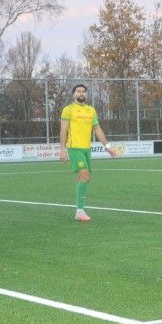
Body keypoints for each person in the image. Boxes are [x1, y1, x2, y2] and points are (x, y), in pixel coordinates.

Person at [58, 84, 117, 222]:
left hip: (86, 149)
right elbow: (63, 131)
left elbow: (97, 129)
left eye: (83, 91)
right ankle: (80, 211)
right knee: (84, 175)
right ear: (73, 94)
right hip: (74, 148)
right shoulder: (68, 110)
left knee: (84, 178)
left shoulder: (91, 110)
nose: (81, 93)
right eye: (78, 91)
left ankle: (78, 211)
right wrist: (62, 149)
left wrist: (108, 146)